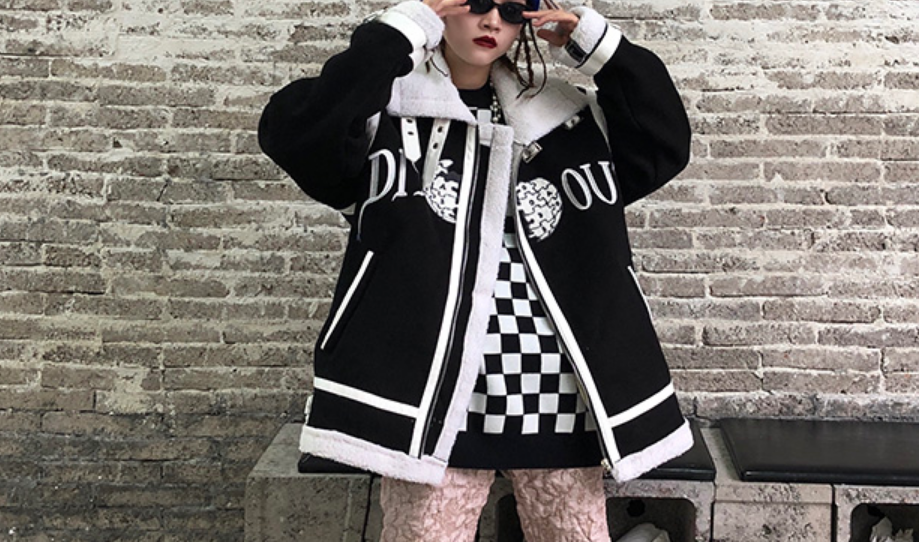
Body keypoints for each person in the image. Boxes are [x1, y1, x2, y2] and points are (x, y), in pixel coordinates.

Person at [257, 0, 693, 538]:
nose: (492, 22)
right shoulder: (382, 118)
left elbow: (664, 140)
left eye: (510, 10)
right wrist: (401, 33)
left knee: (572, 532)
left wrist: (600, 47)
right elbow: (297, 131)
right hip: (431, 388)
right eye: (476, 3)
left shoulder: (566, 118)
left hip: (559, 385)